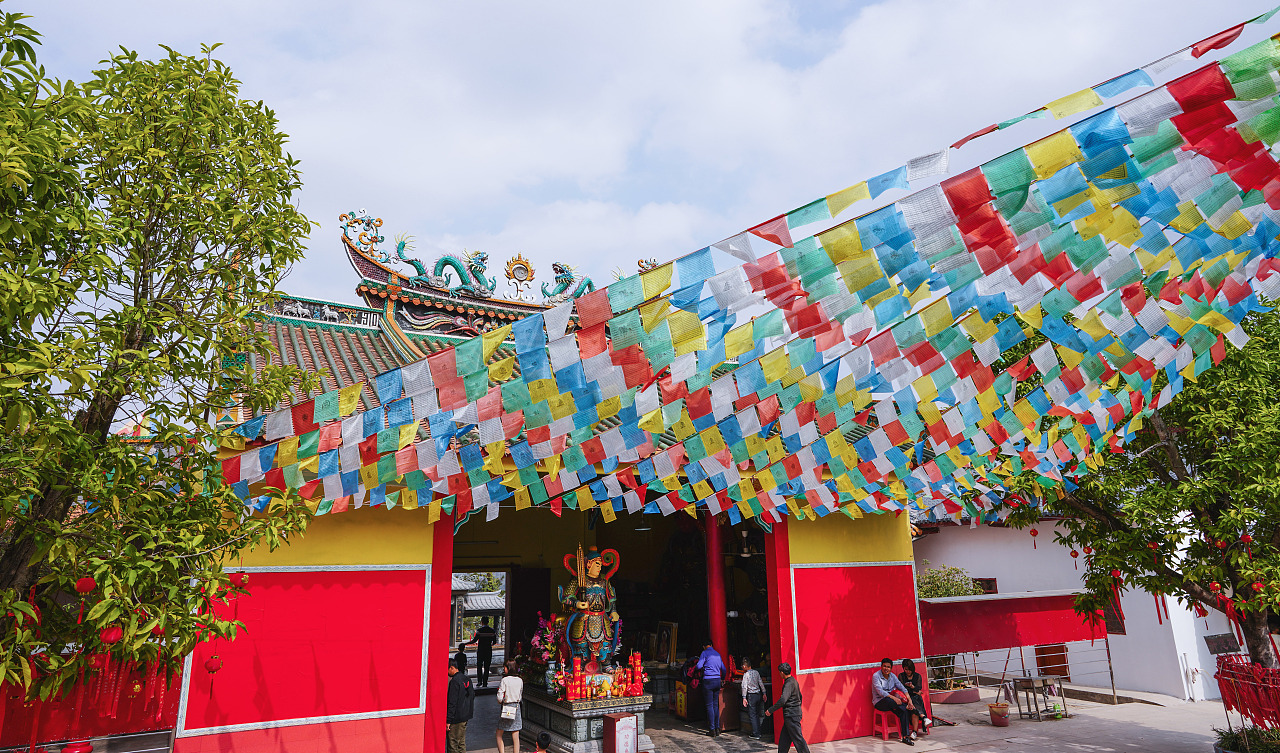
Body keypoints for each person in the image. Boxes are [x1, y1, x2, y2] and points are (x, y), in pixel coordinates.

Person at [765, 662, 809, 753]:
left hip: (791, 715)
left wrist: (771, 710)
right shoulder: (793, 681)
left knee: (798, 739)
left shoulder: (788, 683)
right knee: (784, 740)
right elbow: (800, 696)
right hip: (793, 714)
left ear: (782, 672)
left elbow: (783, 700)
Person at [872, 657, 916, 746]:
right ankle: (908, 708)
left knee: (903, 711)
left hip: (893, 703)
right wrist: (894, 698)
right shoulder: (876, 676)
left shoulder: (893, 676)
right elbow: (880, 692)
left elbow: (902, 688)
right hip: (880, 702)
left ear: (891, 668)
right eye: (884, 666)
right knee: (894, 703)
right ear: (881, 667)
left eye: (888, 667)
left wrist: (909, 700)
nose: (886, 669)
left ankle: (905, 737)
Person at [695, 641, 726, 736]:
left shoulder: (704, 653)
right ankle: (717, 728)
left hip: (708, 681)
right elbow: (723, 669)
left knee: (709, 705)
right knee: (715, 705)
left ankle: (712, 729)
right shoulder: (717, 654)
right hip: (717, 681)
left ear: (704, 646)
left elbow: (698, 666)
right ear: (712, 645)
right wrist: (723, 679)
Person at [446, 657, 475, 753]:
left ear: (452, 668)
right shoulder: (466, 679)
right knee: (461, 742)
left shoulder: (454, 681)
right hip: (465, 715)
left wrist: (448, 720)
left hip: (456, 717)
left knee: (453, 743)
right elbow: (472, 696)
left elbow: (452, 702)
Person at [496, 659, 524, 753]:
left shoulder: (505, 680)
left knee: (499, 733)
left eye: (505, 667)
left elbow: (499, 697)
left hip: (506, 707)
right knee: (515, 735)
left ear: (508, 668)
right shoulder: (520, 680)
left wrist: (502, 701)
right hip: (516, 707)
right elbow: (520, 696)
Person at [464, 616, 499, 687]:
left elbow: (474, 641)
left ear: (482, 622)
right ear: (488, 622)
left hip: (481, 650)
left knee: (479, 666)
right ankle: (485, 682)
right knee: (487, 667)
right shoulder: (492, 631)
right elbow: (494, 642)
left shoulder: (479, 631)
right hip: (488, 650)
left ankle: (479, 681)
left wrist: (465, 643)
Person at [898, 658, 929, 735]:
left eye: (909, 670)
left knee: (914, 709)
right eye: (906, 669)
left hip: (916, 699)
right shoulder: (901, 676)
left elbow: (919, 688)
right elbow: (902, 689)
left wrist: (911, 687)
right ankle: (924, 717)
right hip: (906, 698)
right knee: (912, 701)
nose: (907, 671)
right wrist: (915, 691)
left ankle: (914, 732)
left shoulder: (917, 676)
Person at [740, 656, 766, 739]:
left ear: (744, 666)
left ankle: (756, 733)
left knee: (753, 715)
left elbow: (744, 686)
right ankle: (759, 731)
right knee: (757, 714)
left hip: (751, 696)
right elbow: (761, 683)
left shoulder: (746, 675)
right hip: (758, 694)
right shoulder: (756, 672)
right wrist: (764, 693)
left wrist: (744, 697)